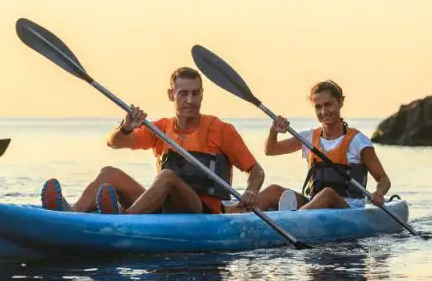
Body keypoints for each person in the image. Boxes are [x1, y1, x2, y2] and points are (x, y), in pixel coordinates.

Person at [40, 66, 265, 215]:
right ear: (171, 95)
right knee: (109, 173)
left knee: (167, 176)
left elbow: (256, 170)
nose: (190, 100)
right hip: (162, 208)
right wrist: (126, 127)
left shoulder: (221, 130)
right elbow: (115, 142)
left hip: (202, 210)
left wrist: (251, 191)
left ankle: (124, 219)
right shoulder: (159, 128)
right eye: (183, 94)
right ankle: (71, 213)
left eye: (196, 93)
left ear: (202, 94)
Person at [258, 80, 392, 210]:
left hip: (349, 208)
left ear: (340, 102)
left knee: (327, 194)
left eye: (328, 104)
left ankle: (292, 218)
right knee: (273, 190)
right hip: (313, 203)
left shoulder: (358, 141)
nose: (323, 111)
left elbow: (383, 179)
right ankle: (238, 216)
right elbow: (271, 150)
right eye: (318, 107)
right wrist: (273, 130)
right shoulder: (308, 138)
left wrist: (379, 193)